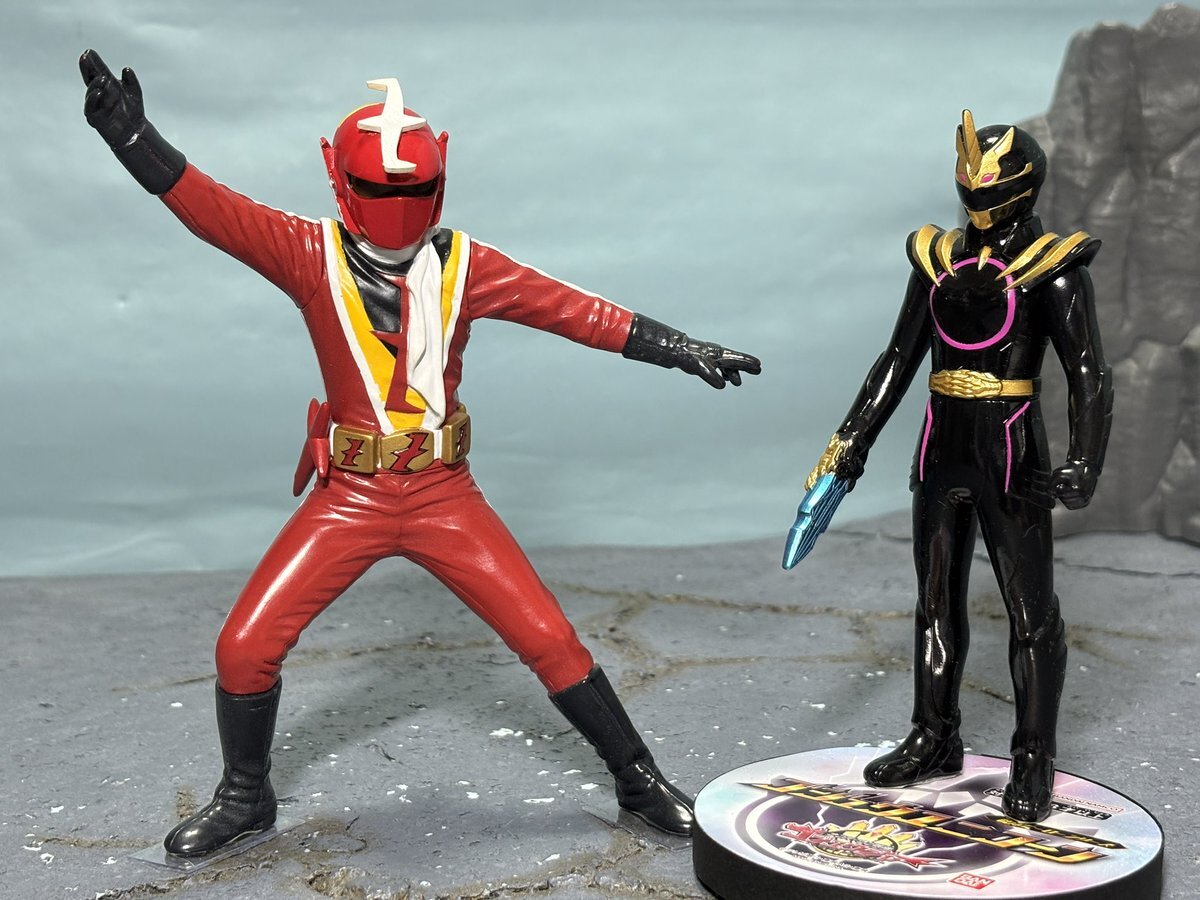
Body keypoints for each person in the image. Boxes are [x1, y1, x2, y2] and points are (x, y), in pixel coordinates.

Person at [79, 50, 761, 856]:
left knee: (550, 640)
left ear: (440, 179)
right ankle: (244, 795)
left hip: (443, 494)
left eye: (412, 189)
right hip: (352, 496)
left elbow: (575, 311)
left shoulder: (465, 266)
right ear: (339, 180)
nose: (396, 206)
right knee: (244, 647)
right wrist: (134, 140)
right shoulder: (307, 253)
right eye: (378, 190)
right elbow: (211, 208)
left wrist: (679, 347)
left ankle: (638, 780)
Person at [802, 110, 1112, 823]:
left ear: (1021, 186)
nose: (976, 197)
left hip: (1011, 453)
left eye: (989, 184)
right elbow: (898, 358)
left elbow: (1088, 373)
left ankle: (1033, 755)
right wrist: (851, 439)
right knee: (935, 602)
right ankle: (934, 734)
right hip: (941, 447)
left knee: (1030, 611)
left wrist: (1083, 460)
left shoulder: (1052, 271)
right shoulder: (938, 262)